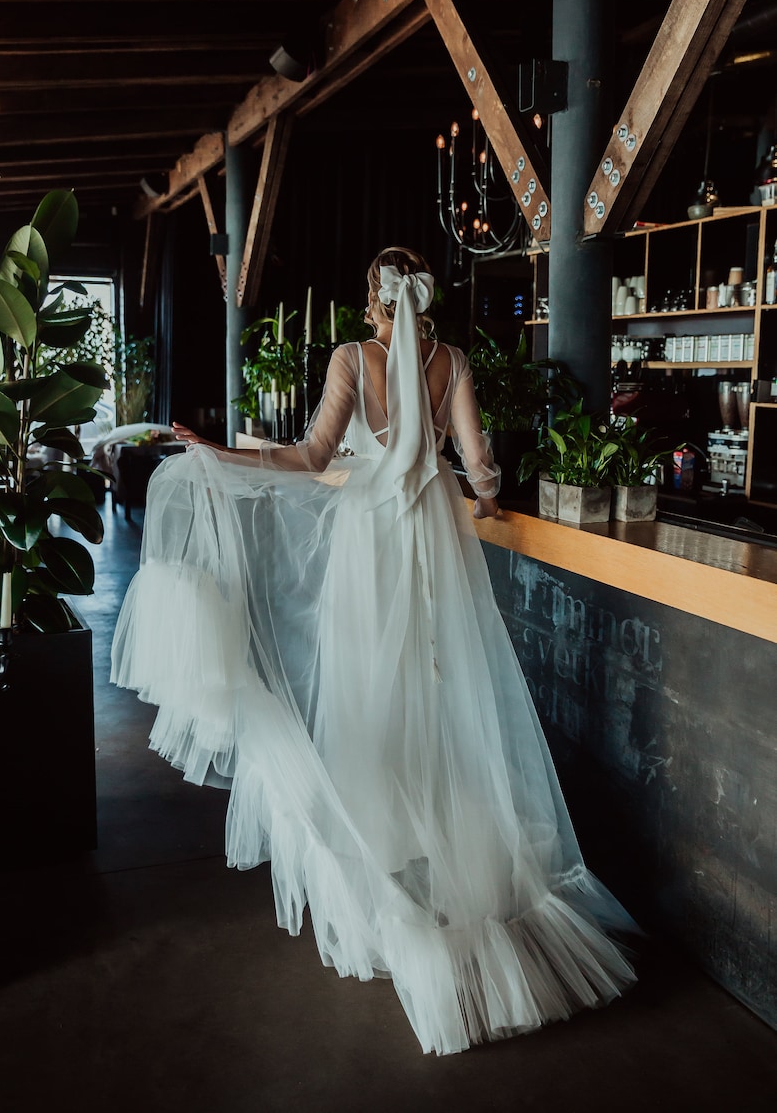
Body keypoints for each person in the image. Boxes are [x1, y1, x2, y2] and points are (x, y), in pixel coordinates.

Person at [111, 246, 638, 1056]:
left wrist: (220, 455)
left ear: (372, 301)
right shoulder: (451, 360)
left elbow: (308, 458)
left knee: (366, 694)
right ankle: (450, 852)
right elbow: (475, 461)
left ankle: (384, 856)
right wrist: (492, 499)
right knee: (445, 690)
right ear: (420, 297)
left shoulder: (352, 359)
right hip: (434, 540)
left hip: (369, 546)